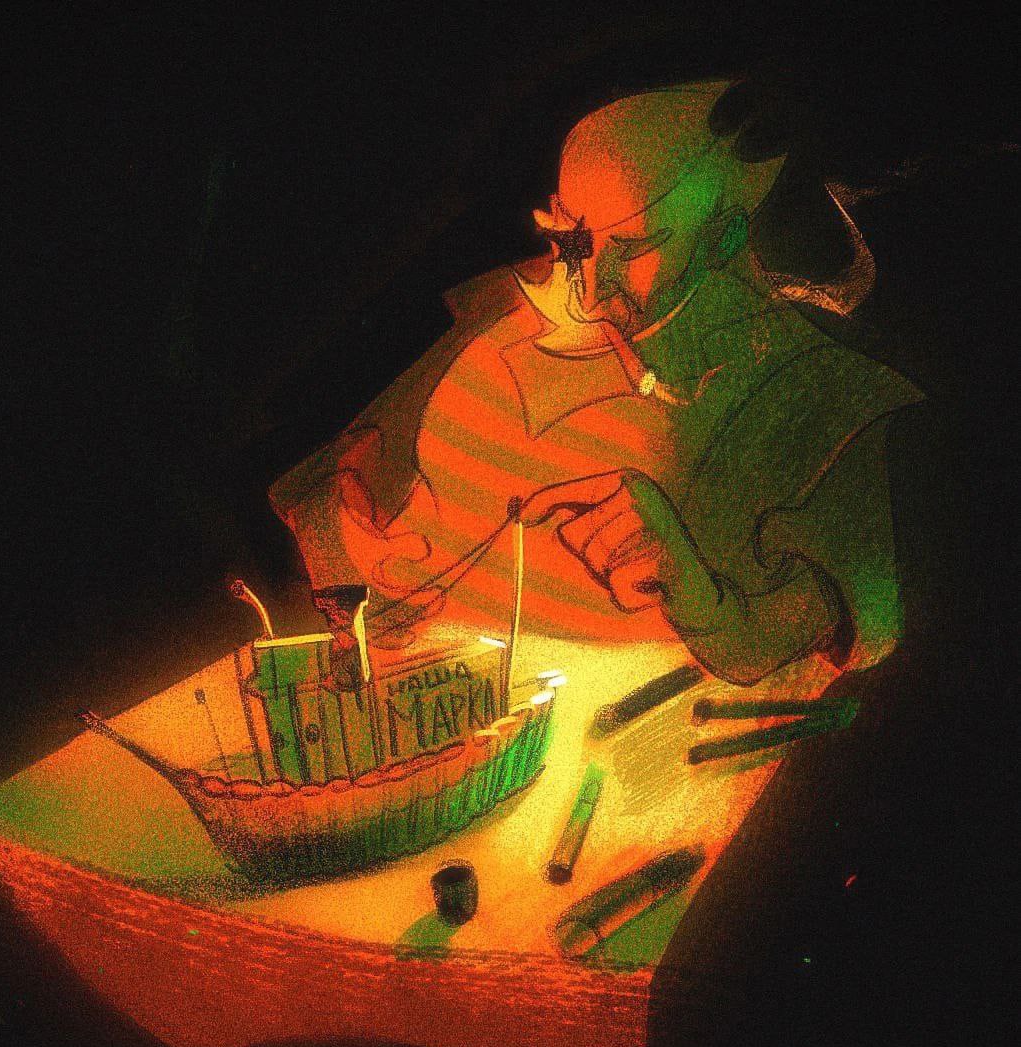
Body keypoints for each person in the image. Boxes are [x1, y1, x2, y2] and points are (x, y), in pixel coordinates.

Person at [270, 81, 923, 686]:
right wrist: (347, 561)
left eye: (633, 248)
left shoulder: (817, 394)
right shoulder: (495, 311)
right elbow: (318, 483)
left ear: (722, 239)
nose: (588, 280)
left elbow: (794, 637)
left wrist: (694, 592)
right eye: (575, 238)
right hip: (418, 700)